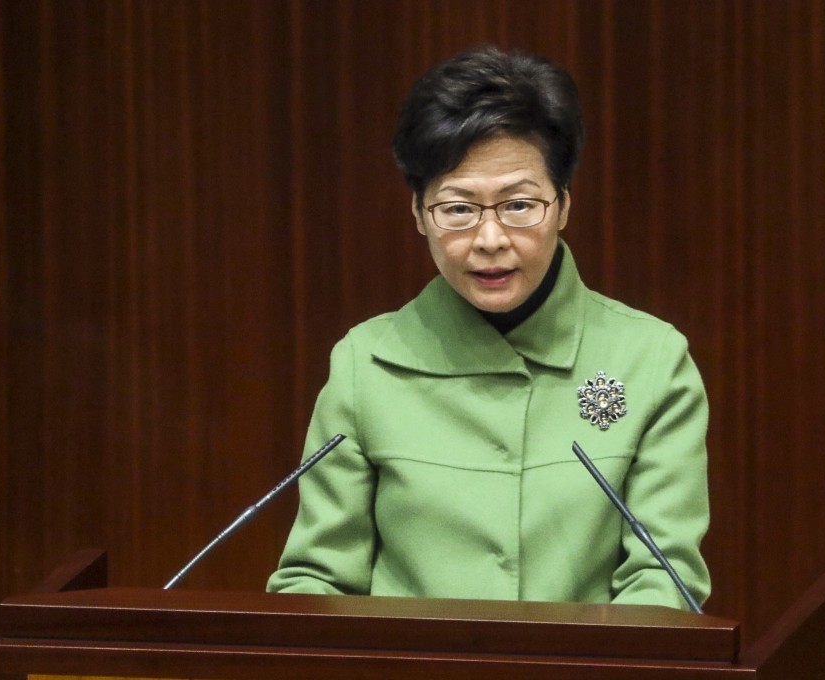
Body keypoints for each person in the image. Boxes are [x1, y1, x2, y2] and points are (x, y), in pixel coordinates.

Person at [267, 45, 710, 610]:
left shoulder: (651, 361)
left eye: (520, 205)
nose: (491, 239)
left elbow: (662, 583)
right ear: (418, 214)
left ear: (564, 204)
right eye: (457, 209)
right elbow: (316, 582)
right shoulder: (366, 364)